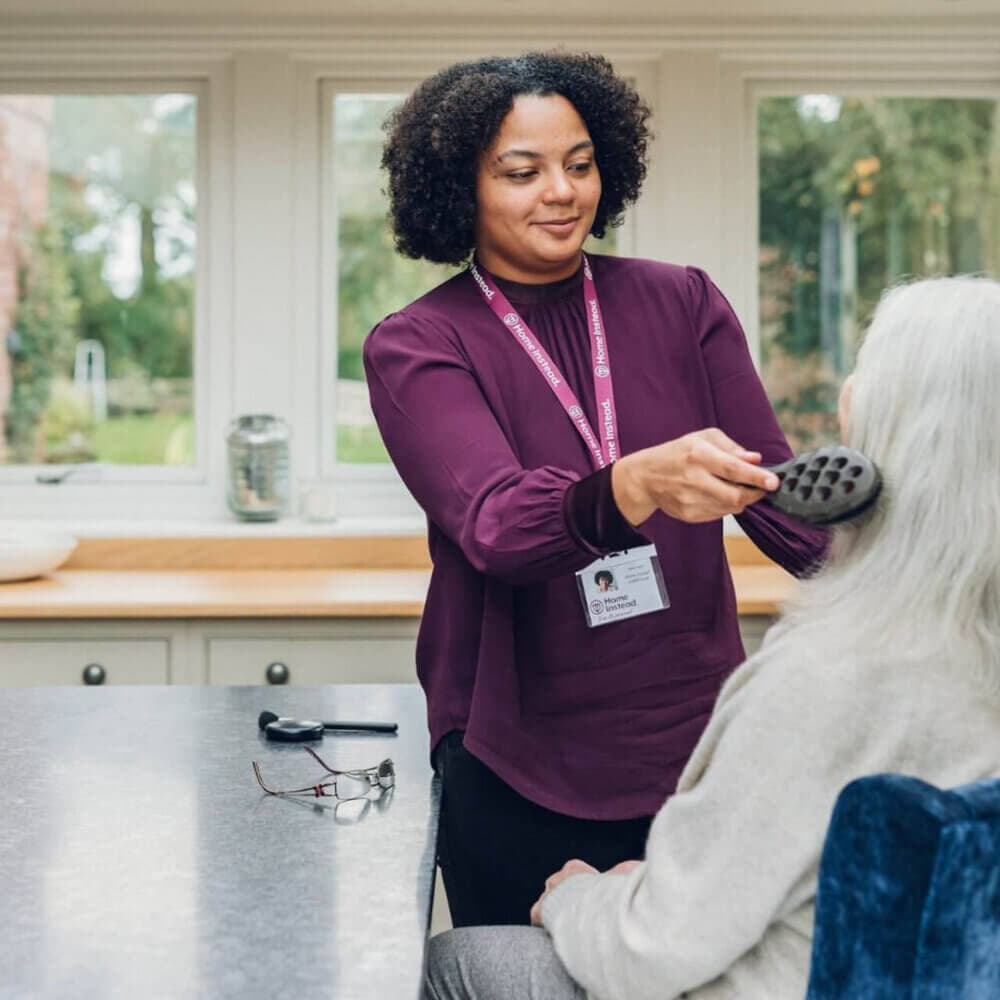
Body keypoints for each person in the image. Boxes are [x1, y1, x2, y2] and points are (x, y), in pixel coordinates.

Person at [423, 275, 1000, 999]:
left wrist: (579, 896)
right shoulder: (966, 654)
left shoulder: (827, 678)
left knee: (450, 962)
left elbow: (651, 950)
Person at [363, 51, 828, 928]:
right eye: (522, 171)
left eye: (580, 163)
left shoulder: (682, 302)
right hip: (515, 753)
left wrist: (920, 528)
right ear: (460, 186)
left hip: (694, 747)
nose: (562, 192)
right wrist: (634, 482)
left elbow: (779, 500)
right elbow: (498, 526)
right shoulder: (419, 343)